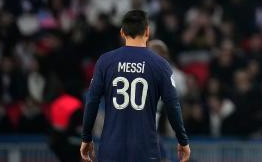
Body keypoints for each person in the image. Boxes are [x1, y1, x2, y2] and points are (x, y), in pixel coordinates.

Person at [80, 10, 190, 162]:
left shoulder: (105, 62)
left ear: (122, 33)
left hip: (111, 150)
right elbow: (173, 105)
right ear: (147, 32)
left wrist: (86, 138)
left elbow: (92, 101)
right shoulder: (160, 64)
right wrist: (182, 140)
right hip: (146, 151)